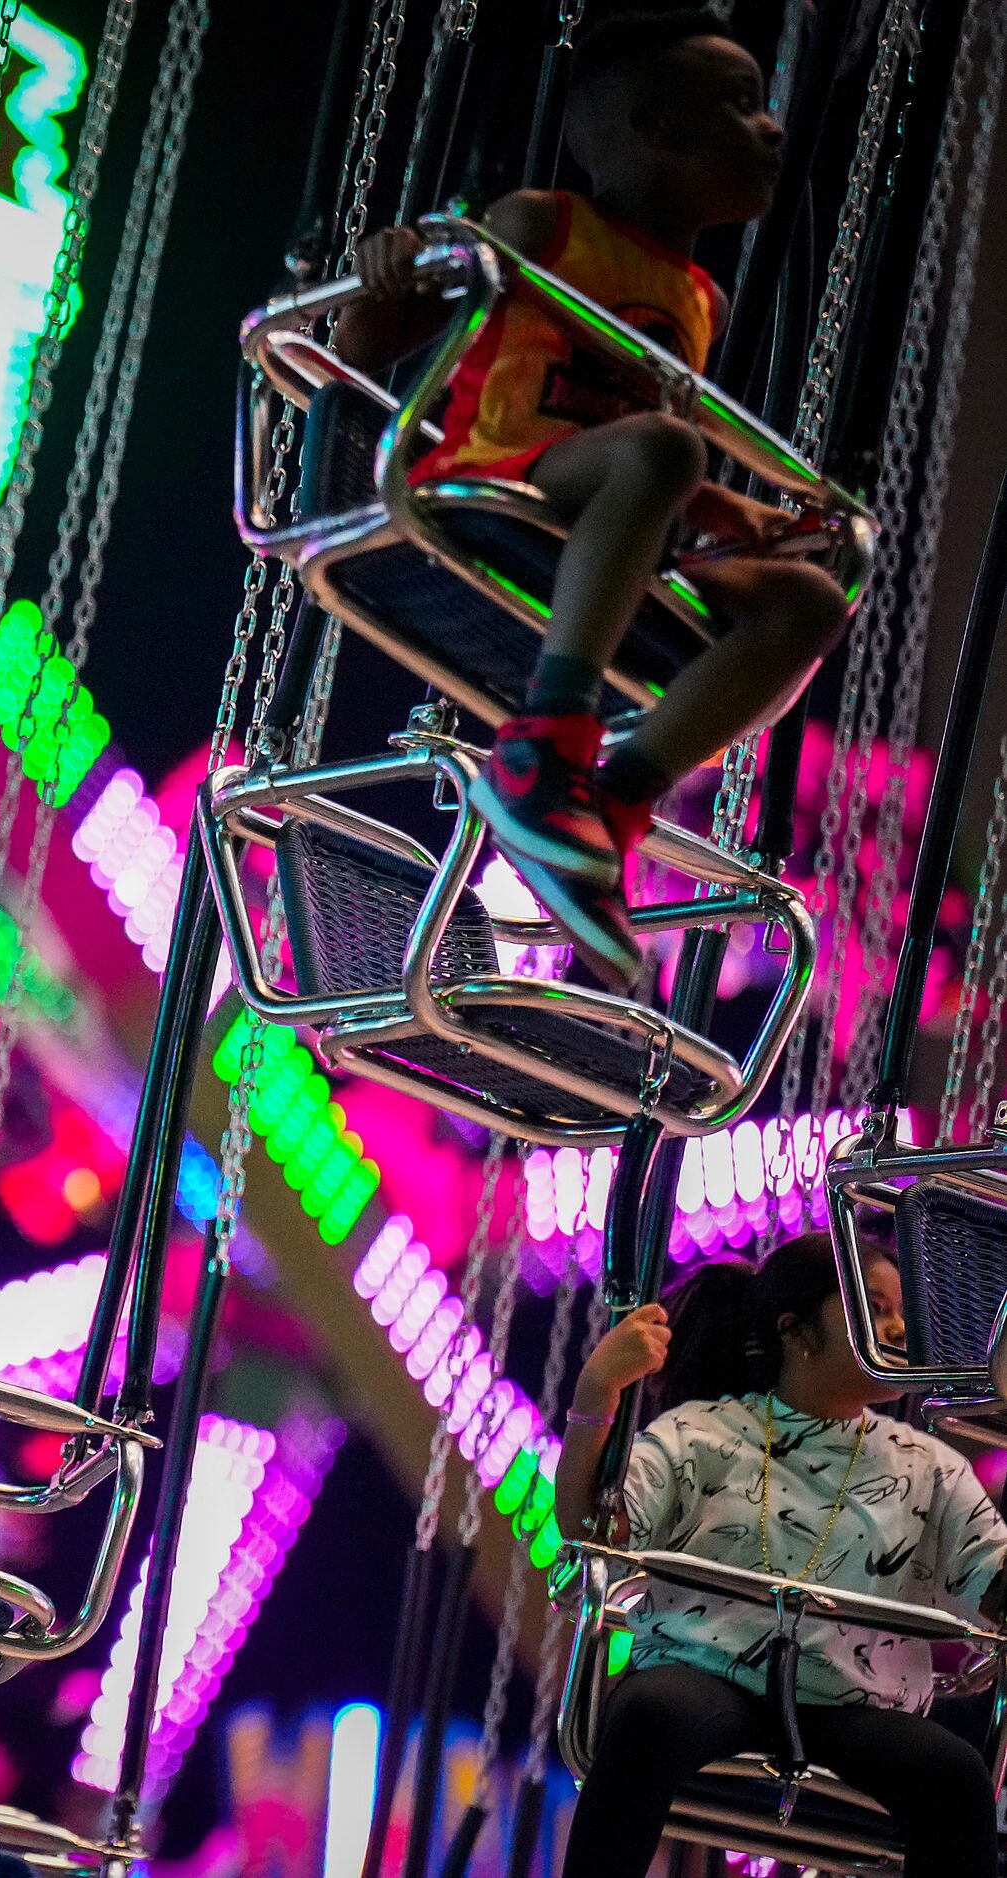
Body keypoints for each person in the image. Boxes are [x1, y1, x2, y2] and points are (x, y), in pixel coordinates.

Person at [334, 9, 848, 990]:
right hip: (504, 482)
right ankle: (543, 750)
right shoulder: (541, 224)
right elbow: (366, 346)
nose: (772, 126)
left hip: (618, 509)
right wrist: (383, 270)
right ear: (657, 130)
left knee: (809, 601)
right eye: (741, 105)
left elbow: (656, 444)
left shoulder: (701, 298)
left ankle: (607, 800)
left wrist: (724, 514)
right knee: (659, 450)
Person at [550, 1235, 1007, 1877]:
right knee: (649, 1715)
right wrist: (597, 1392)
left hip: (855, 1705)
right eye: (874, 1309)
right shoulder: (697, 1434)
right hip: (707, 1675)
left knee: (957, 1776)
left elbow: (996, 1586)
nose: (900, 1327)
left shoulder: (930, 1469)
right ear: (798, 1332)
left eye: (899, 1310)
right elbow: (596, 1534)